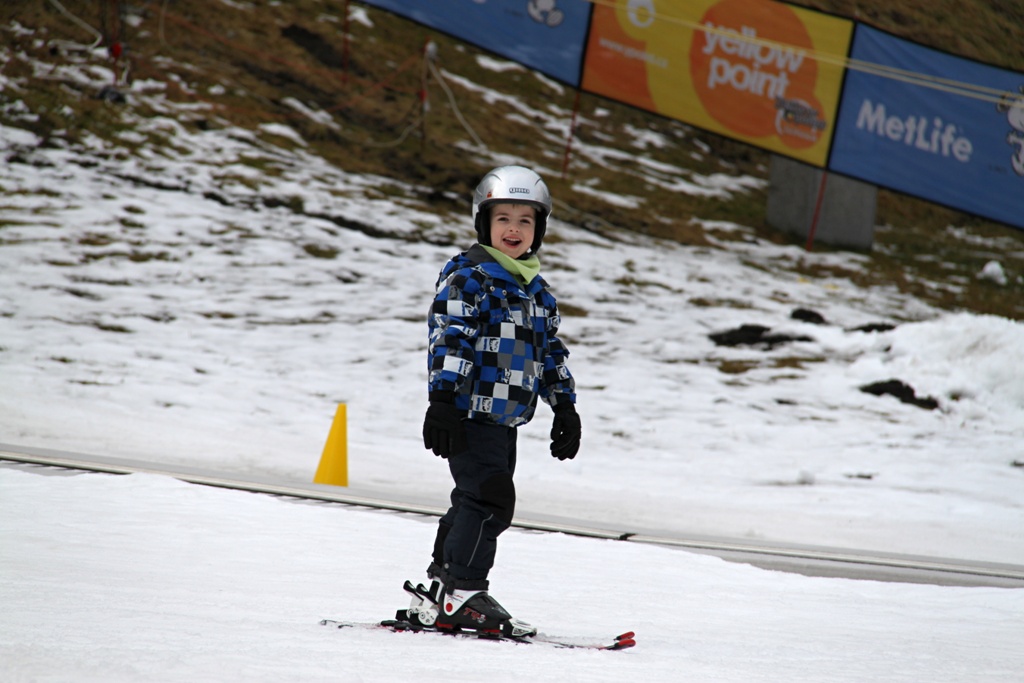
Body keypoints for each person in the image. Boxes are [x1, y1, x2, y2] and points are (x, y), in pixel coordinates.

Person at [404, 165, 582, 638]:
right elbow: (451, 337)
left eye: (526, 221)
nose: (513, 229)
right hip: (467, 412)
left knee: (474, 499)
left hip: (506, 418)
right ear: (484, 224)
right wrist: (441, 399)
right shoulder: (470, 277)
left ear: (538, 230)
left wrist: (564, 406)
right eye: (503, 218)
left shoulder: (536, 291)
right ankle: (462, 591)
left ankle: (443, 588)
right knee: (490, 500)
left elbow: (549, 353)